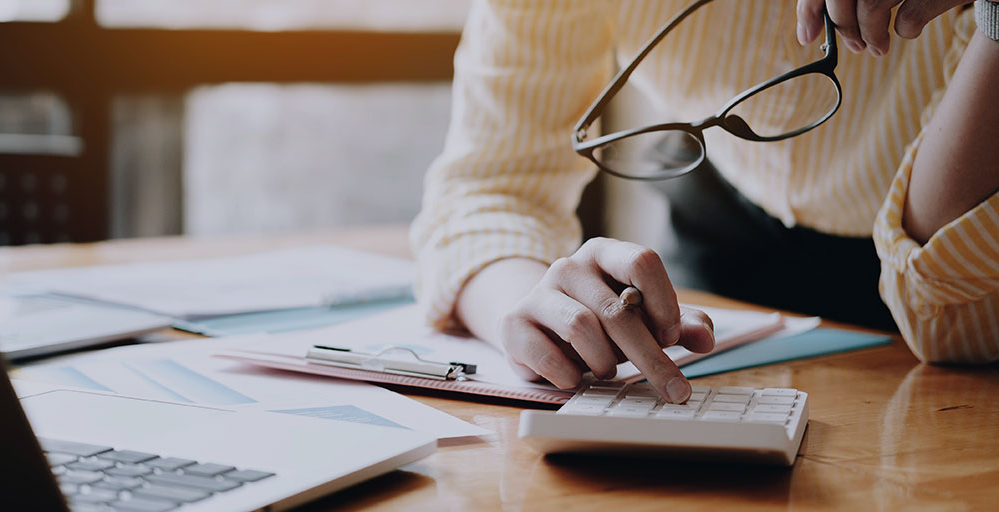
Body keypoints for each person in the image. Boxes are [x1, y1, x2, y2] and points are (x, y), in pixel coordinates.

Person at [411, 0, 999, 404]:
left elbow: (959, 324)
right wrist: (539, 313)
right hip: (719, 261)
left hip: (933, 299)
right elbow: (488, 192)